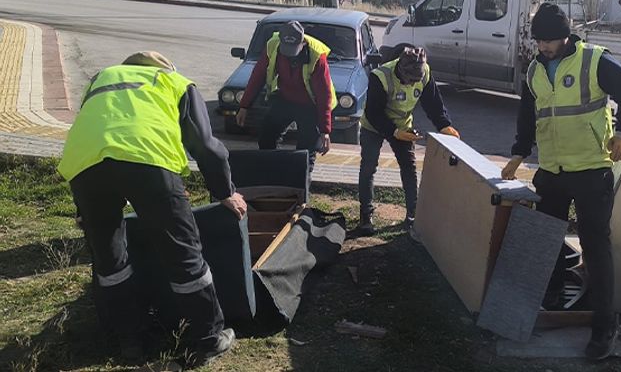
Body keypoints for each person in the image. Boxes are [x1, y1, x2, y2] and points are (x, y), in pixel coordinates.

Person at [58, 51, 247, 367]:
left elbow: (97, 133)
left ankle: (129, 341)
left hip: (85, 168)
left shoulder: (102, 80)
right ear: (167, 67)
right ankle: (208, 339)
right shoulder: (175, 81)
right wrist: (225, 192)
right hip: (148, 161)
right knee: (184, 253)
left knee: (110, 260)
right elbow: (205, 144)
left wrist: (86, 209)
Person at [501, 3, 621, 360]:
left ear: (565, 36)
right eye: (538, 41)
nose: (543, 47)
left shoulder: (593, 60)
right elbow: (528, 114)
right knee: (547, 238)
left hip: (591, 170)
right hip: (552, 170)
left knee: (595, 246)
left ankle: (604, 325)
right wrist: (519, 152)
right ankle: (551, 298)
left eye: (548, 41)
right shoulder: (535, 70)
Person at [356, 47, 460, 239]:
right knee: (368, 167)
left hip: (403, 125)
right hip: (374, 126)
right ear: (400, 69)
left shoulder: (424, 72)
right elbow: (373, 113)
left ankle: (413, 214)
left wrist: (444, 125)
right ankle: (366, 215)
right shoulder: (381, 77)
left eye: (415, 81)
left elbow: (433, 103)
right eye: (409, 80)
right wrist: (394, 132)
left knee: (409, 168)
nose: (412, 84)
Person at [236, 20, 335, 170]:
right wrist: (244, 106)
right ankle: (271, 173)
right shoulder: (272, 45)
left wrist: (325, 130)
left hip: (310, 104)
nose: (289, 55)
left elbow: (324, 95)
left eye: (293, 50)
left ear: (302, 43)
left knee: (306, 150)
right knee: (266, 136)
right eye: (286, 50)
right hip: (285, 98)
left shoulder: (316, 56)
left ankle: (302, 181)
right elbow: (258, 76)